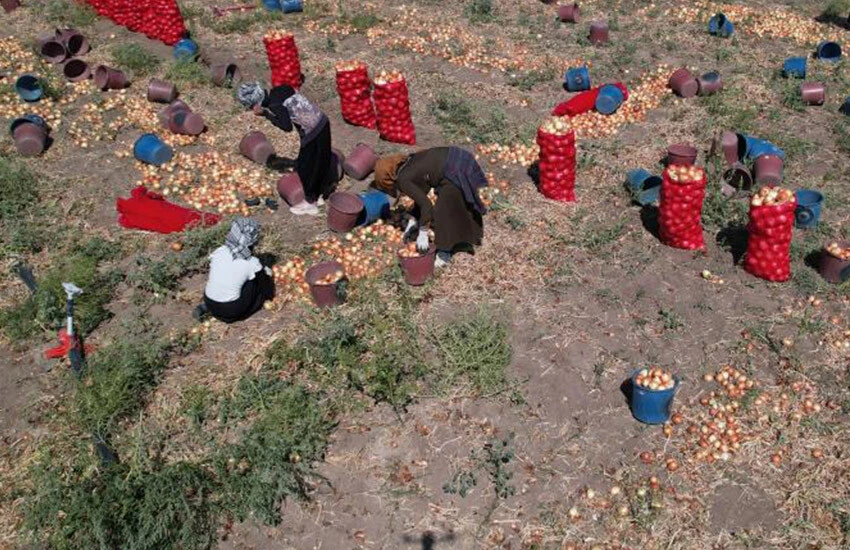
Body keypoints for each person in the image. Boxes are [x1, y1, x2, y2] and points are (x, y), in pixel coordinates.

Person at [374, 147, 487, 268]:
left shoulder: (403, 180)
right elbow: (421, 195)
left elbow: (427, 205)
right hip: (461, 157)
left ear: (388, 179)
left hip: (454, 169)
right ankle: (467, 237)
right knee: (457, 201)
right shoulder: (409, 163)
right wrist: (414, 219)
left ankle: (444, 253)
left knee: (443, 210)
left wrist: (423, 232)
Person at [238, 82, 335, 216]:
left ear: (256, 104)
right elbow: (292, 91)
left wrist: (266, 114)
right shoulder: (279, 90)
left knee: (304, 167)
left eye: (250, 106)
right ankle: (319, 195)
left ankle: (310, 204)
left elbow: (286, 127)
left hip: (312, 131)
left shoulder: (274, 105)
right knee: (318, 161)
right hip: (322, 121)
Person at [194, 217, 275, 323]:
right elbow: (267, 290)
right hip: (231, 311)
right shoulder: (252, 262)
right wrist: (267, 277)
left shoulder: (220, 251)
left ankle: (208, 308)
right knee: (256, 283)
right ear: (252, 240)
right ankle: (237, 314)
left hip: (209, 300)